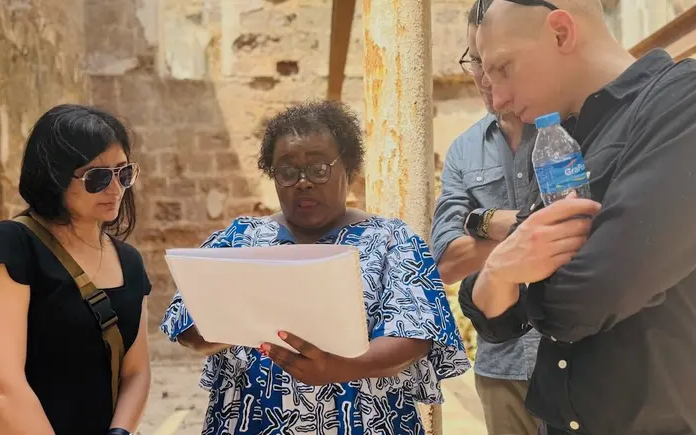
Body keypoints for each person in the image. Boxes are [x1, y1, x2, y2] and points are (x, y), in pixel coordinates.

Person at [458, 0, 696, 434]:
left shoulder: (694, 100)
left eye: (504, 68)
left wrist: (515, 280)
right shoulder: (560, 140)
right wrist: (499, 269)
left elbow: (588, 297)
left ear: (560, 32)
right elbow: (495, 320)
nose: (497, 98)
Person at [160, 100, 471, 435]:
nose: (303, 182)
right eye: (288, 171)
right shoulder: (238, 241)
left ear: (349, 169)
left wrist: (338, 367)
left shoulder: (391, 241)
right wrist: (243, 316)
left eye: (319, 168)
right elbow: (188, 329)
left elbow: (415, 337)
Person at [0, 104, 152, 435]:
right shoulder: (9, 246)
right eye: (97, 177)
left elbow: (136, 371)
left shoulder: (129, 261)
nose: (115, 189)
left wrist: (120, 432)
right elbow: (0, 388)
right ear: (54, 175)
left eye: (123, 172)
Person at [429, 1, 540, 433]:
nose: (482, 74)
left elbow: (583, 231)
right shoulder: (463, 151)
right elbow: (445, 263)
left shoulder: (567, 129)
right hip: (501, 365)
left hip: (576, 358)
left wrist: (480, 219)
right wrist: (525, 228)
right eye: (473, 60)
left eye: (493, 61)